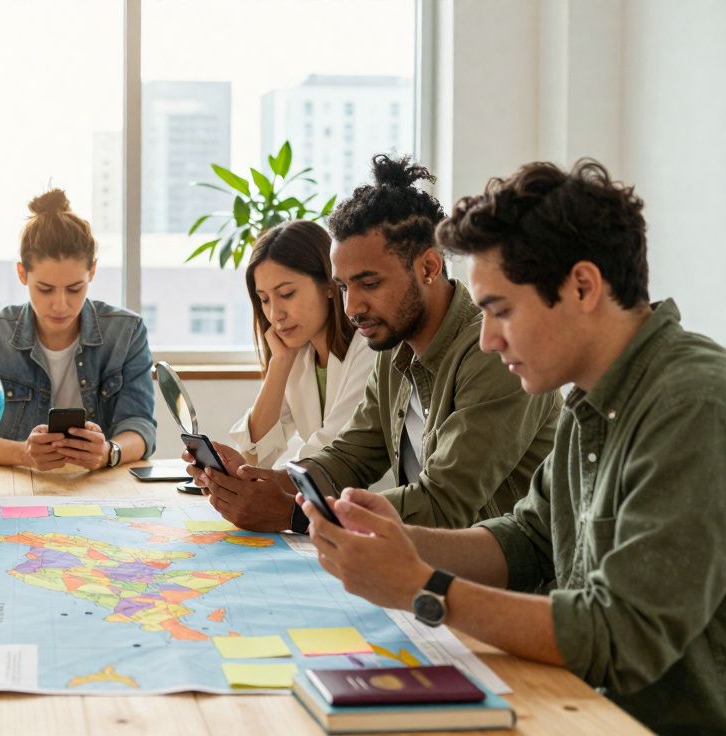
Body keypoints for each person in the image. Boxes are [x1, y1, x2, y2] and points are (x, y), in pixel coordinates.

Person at [297, 159, 726, 734]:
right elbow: (528, 540)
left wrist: (422, 587)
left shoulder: (691, 403)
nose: (486, 339)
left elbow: (622, 636)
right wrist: (398, 540)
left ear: (582, 287)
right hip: (579, 706)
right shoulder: (590, 401)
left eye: (500, 310)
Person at [188, 155, 560, 531]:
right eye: (344, 287)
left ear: (429, 267)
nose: (352, 308)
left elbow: (443, 504)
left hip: (499, 565)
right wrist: (259, 481)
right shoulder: (394, 349)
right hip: (424, 555)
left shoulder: (495, 353)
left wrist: (293, 514)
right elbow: (348, 458)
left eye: (369, 284)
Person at [0, 188, 155, 471]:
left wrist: (108, 452)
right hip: (17, 483)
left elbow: (140, 425)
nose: (60, 304)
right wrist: (23, 454)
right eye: (45, 289)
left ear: (92, 271)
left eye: (75, 288)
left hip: (98, 485)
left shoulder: (126, 332)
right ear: (22, 273)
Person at [227, 220, 372, 468]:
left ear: (329, 286)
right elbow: (255, 456)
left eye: (287, 294)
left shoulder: (368, 349)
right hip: (319, 490)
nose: (275, 315)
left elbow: (333, 453)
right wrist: (280, 363)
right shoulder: (299, 354)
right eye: (264, 300)